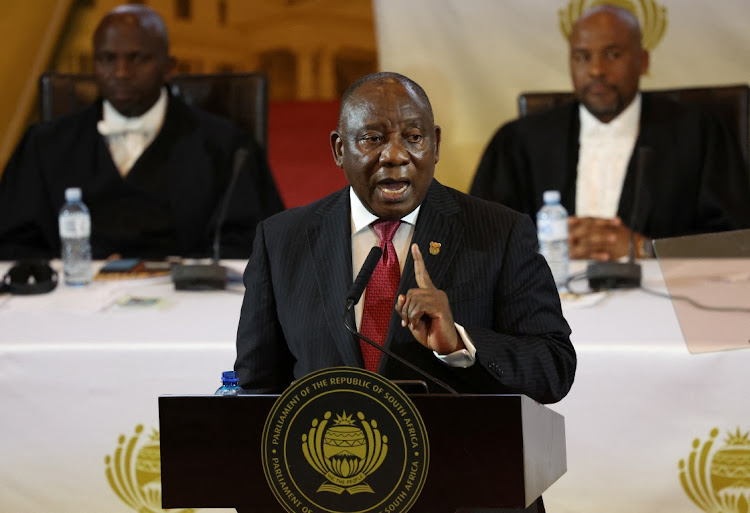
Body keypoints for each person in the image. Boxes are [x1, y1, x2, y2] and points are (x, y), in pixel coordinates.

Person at [235, 71, 576, 512]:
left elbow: (554, 367)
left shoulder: (499, 232)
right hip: (331, 496)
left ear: (434, 143)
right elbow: (258, 394)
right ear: (340, 149)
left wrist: (460, 344)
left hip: (465, 490)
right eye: (372, 139)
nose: (395, 156)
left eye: (412, 136)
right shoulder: (282, 240)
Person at [0, 4, 283, 261]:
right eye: (107, 59)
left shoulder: (228, 147)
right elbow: (12, 241)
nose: (121, 72)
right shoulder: (44, 144)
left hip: (187, 305)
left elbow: (257, 245)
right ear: (94, 64)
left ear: (169, 67)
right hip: (69, 304)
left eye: (137, 59)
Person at [470, 4, 750, 261]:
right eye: (582, 57)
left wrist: (647, 248)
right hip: (547, 303)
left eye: (612, 54)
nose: (596, 70)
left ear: (643, 62)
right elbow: (478, 236)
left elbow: (737, 241)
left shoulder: (699, 133)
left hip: (664, 302)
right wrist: (546, 249)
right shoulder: (519, 141)